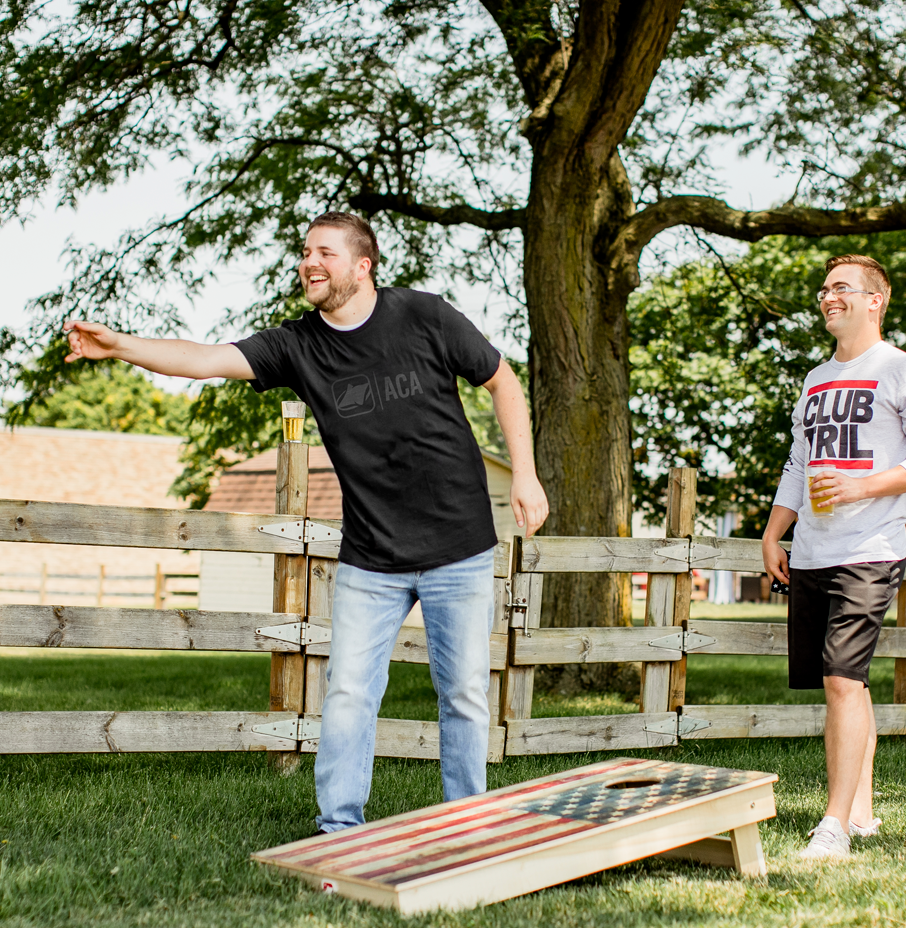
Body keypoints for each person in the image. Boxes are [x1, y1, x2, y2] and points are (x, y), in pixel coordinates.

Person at [63, 211, 549, 833]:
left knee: (462, 696)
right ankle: (339, 829)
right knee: (347, 695)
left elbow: (502, 381)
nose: (309, 263)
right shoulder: (299, 345)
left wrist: (527, 475)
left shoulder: (426, 316)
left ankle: (465, 823)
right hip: (371, 556)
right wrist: (122, 346)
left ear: (362, 265)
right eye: (304, 253)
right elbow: (206, 359)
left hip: (457, 547)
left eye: (324, 252)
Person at [762, 253, 906, 860]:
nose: (827, 296)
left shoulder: (905, 371)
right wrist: (774, 533)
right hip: (813, 549)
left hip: (871, 549)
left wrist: (865, 486)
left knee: (842, 679)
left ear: (876, 300)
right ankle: (864, 813)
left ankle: (835, 825)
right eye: (823, 288)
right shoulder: (816, 379)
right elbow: (799, 464)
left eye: (841, 287)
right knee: (845, 685)